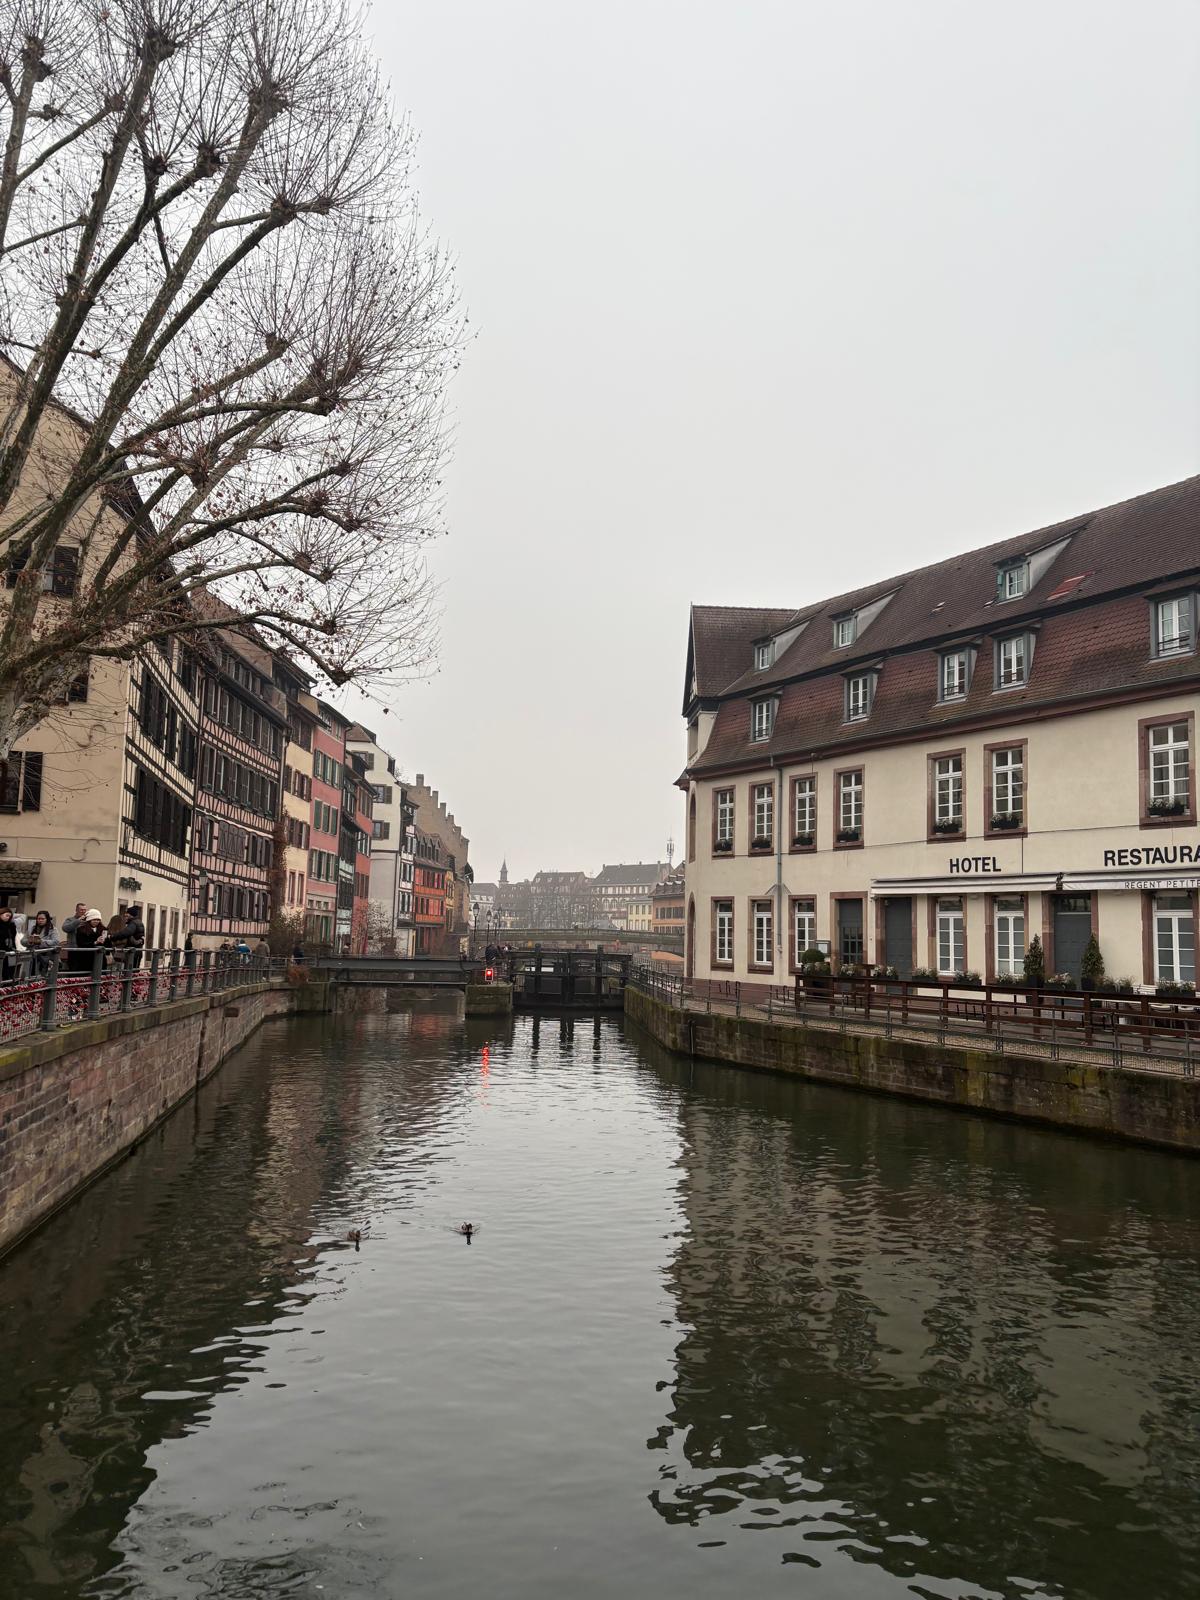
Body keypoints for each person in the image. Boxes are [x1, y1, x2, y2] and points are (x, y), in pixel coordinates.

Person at [69, 910, 109, 974]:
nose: (96, 921)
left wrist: (106, 940)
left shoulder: (103, 929)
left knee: (100, 975)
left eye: (98, 919)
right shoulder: (81, 929)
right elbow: (81, 943)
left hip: (100, 958)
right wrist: (95, 942)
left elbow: (108, 944)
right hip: (85, 958)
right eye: (94, 919)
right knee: (86, 977)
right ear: (89, 920)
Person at [110, 904, 145, 970]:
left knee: (129, 972)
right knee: (133, 972)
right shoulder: (139, 922)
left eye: (127, 914)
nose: (125, 916)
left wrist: (112, 937)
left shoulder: (133, 923)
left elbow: (126, 933)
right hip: (137, 952)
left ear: (131, 915)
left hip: (132, 952)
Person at [0, 906, 18, 981]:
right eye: (6, 915)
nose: (8, 918)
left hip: (8, 950)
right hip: (1, 949)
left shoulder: (11, 925)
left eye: (9, 916)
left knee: (7, 972)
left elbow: (13, 938)